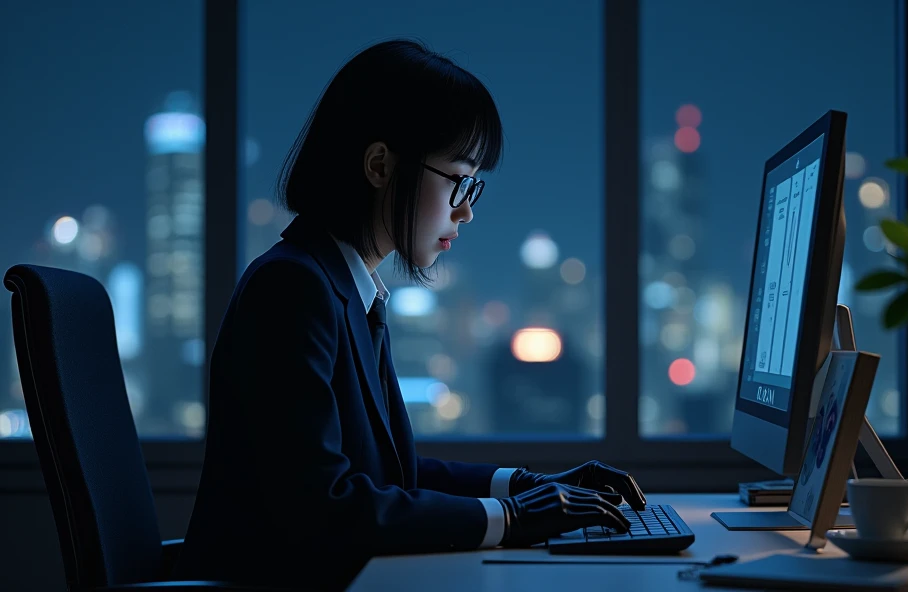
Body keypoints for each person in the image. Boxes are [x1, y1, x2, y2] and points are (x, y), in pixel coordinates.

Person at [173, 39, 647, 590]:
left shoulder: (344, 289)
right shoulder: (292, 289)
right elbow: (324, 507)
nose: (466, 210)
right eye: (457, 180)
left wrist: (524, 486)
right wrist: (515, 520)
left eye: (473, 187)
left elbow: (389, 474)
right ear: (380, 165)